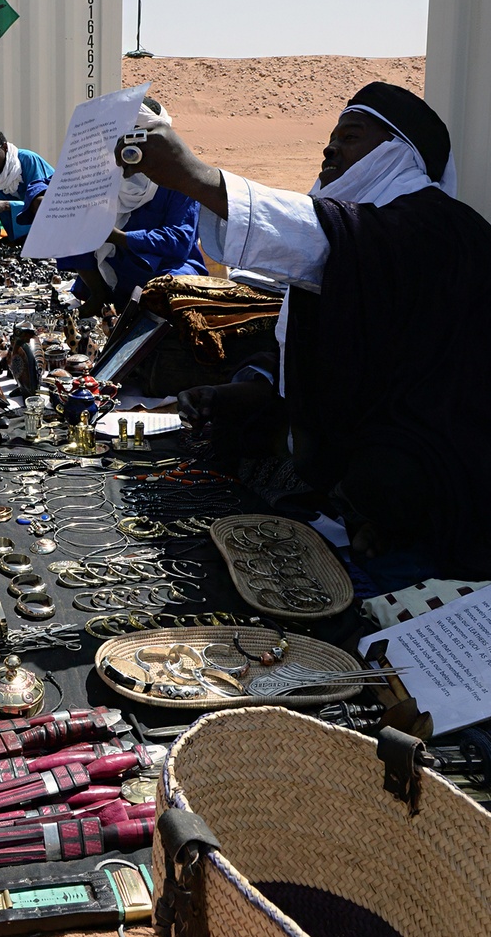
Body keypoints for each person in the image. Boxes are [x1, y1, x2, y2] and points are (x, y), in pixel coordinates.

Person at [116, 81, 491, 575]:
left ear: (400, 153)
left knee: (387, 482)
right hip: (348, 459)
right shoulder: (364, 228)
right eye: (329, 139)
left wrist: (194, 176)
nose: (330, 148)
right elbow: (326, 338)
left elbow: (327, 242)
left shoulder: (440, 228)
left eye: (351, 136)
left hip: (433, 477)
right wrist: (258, 389)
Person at [46, 99, 207, 313]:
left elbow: (179, 241)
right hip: (120, 266)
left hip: (165, 267)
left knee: (174, 290)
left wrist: (119, 237)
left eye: (139, 135)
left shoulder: (179, 177)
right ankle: (98, 293)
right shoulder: (109, 171)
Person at [0, 128, 54, 246]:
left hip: (55, 217)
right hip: (22, 234)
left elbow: (43, 204)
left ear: (4, 148)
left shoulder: (27, 160)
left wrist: (6, 205)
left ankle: (34, 240)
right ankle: (18, 238)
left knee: (35, 200)